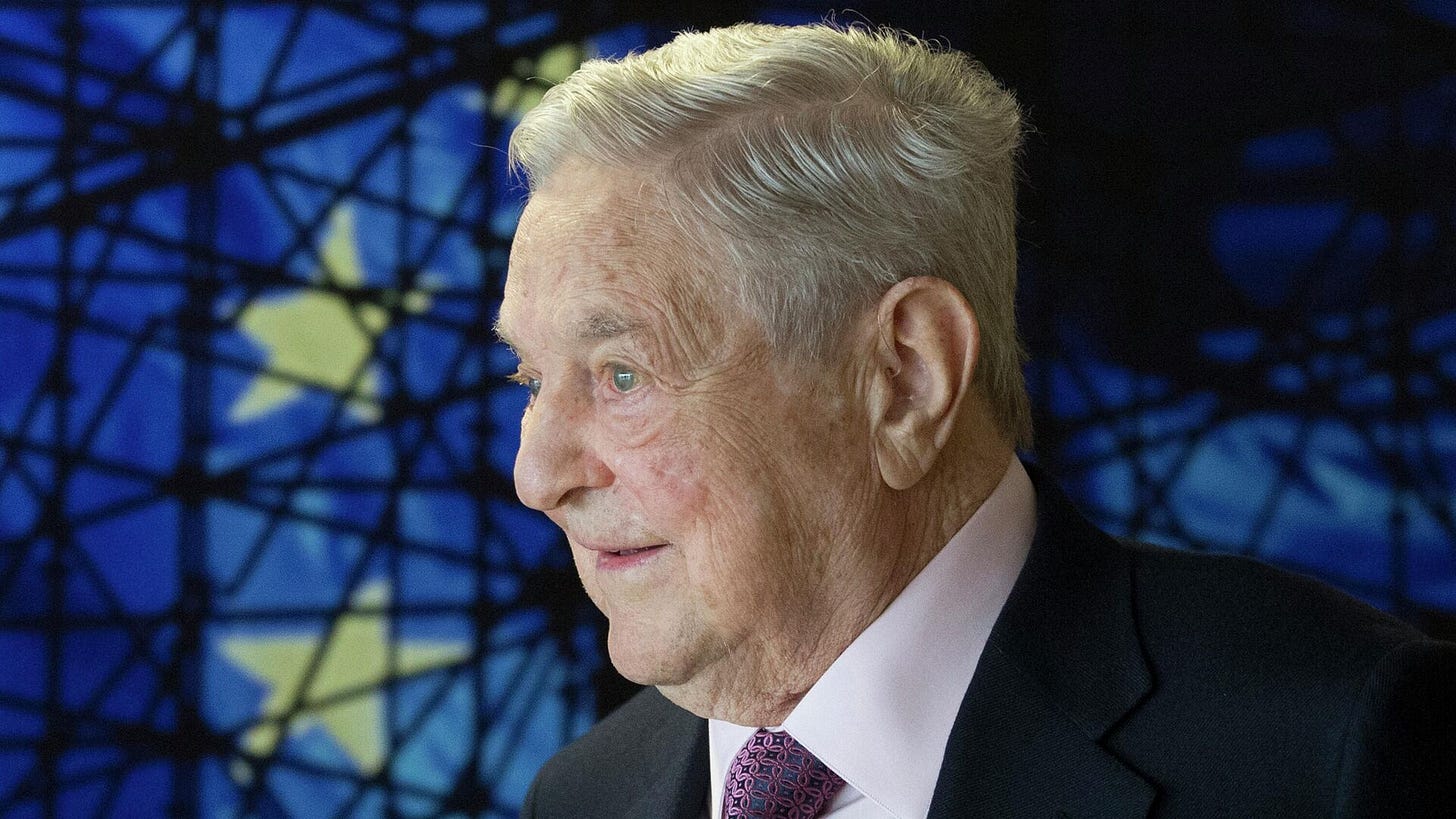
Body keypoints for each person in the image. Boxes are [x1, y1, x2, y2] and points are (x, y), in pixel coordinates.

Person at [493, 22, 1455, 818]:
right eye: (533, 377)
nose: (537, 476)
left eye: (621, 374)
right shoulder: (584, 795)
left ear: (904, 377)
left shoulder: (1333, 751)